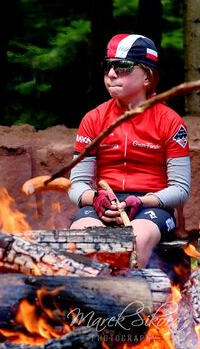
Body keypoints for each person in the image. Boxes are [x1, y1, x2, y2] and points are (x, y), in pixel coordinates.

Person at [68, 34, 190, 268]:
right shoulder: (93, 119)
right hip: (104, 204)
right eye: (107, 66)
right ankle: (85, 303)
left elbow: (181, 189)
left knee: (135, 239)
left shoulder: (170, 121)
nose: (111, 74)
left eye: (122, 67)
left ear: (147, 75)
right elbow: (76, 184)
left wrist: (144, 201)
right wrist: (95, 198)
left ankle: (129, 302)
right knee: (79, 238)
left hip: (151, 206)